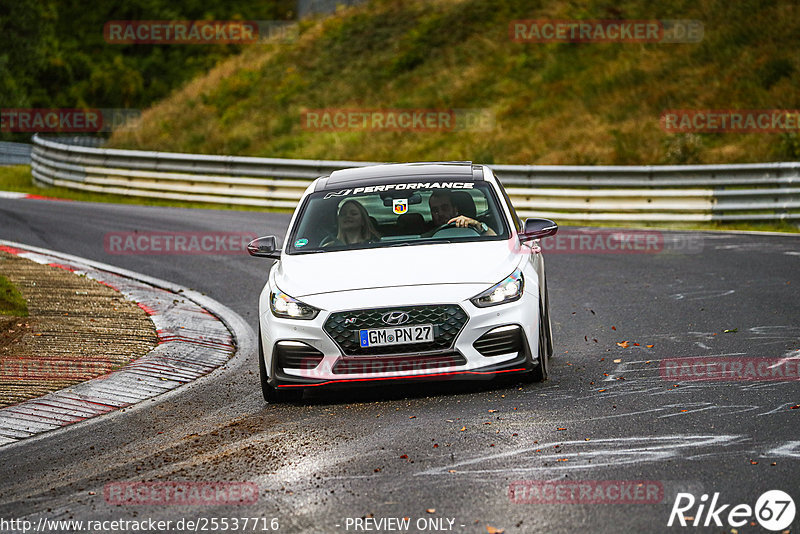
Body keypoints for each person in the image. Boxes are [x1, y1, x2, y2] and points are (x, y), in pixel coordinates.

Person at [427, 190, 496, 236]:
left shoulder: (474, 228)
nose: (440, 213)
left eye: (445, 208)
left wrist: (476, 225)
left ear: (455, 210)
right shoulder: (426, 236)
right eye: (435, 210)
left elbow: (496, 240)